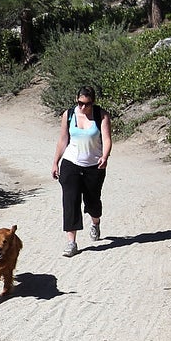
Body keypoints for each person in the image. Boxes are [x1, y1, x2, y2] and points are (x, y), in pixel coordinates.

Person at [52, 85, 112, 257]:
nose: (83, 107)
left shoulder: (102, 115)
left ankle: (95, 222)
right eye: (80, 103)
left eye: (87, 104)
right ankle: (71, 243)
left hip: (94, 165)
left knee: (93, 202)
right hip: (71, 163)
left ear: (93, 102)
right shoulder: (69, 114)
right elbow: (63, 139)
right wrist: (56, 162)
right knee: (70, 201)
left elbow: (107, 139)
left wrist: (105, 156)